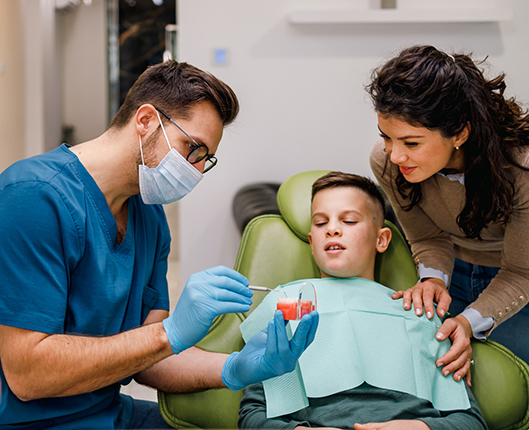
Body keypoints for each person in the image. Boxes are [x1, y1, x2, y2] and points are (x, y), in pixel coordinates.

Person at [0, 60, 318, 428]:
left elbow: (152, 357)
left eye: (206, 159)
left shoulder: (149, 217)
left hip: (111, 414)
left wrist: (237, 366)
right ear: (147, 120)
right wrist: (168, 333)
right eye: (193, 149)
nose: (197, 170)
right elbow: (28, 375)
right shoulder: (34, 198)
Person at [367, 45, 529, 384]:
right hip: (454, 269)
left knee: (507, 401)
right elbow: (428, 237)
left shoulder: (527, 165)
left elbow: (522, 272)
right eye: (386, 137)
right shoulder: (387, 163)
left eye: (411, 143)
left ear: (460, 133)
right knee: (444, 399)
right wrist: (433, 280)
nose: (395, 155)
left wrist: (469, 320)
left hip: (525, 281)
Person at [238, 171, 487, 430]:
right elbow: (254, 415)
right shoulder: (284, 311)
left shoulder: (420, 313)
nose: (332, 229)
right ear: (312, 243)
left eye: (348, 220)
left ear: (381, 239)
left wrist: (419, 428)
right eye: (321, 223)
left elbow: (469, 422)